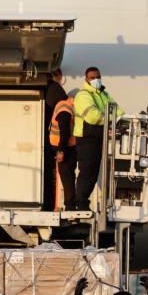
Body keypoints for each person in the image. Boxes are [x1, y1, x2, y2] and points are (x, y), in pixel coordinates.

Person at [73, 67, 122, 211]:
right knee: (87, 172)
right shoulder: (83, 95)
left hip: (97, 138)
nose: (96, 80)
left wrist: (121, 119)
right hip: (86, 139)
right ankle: (81, 204)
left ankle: (82, 203)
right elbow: (92, 116)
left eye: (98, 77)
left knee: (93, 173)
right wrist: (112, 120)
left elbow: (118, 110)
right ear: (86, 79)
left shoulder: (104, 94)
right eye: (92, 78)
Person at [47, 70, 78, 210]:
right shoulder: (70, 107)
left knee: (67, 178)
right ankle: (70, 204)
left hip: (66, 148)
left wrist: (61, 151)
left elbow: (64, 132)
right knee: (69, 177)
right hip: (70, 146)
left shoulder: (64, 108)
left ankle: (70, 206)